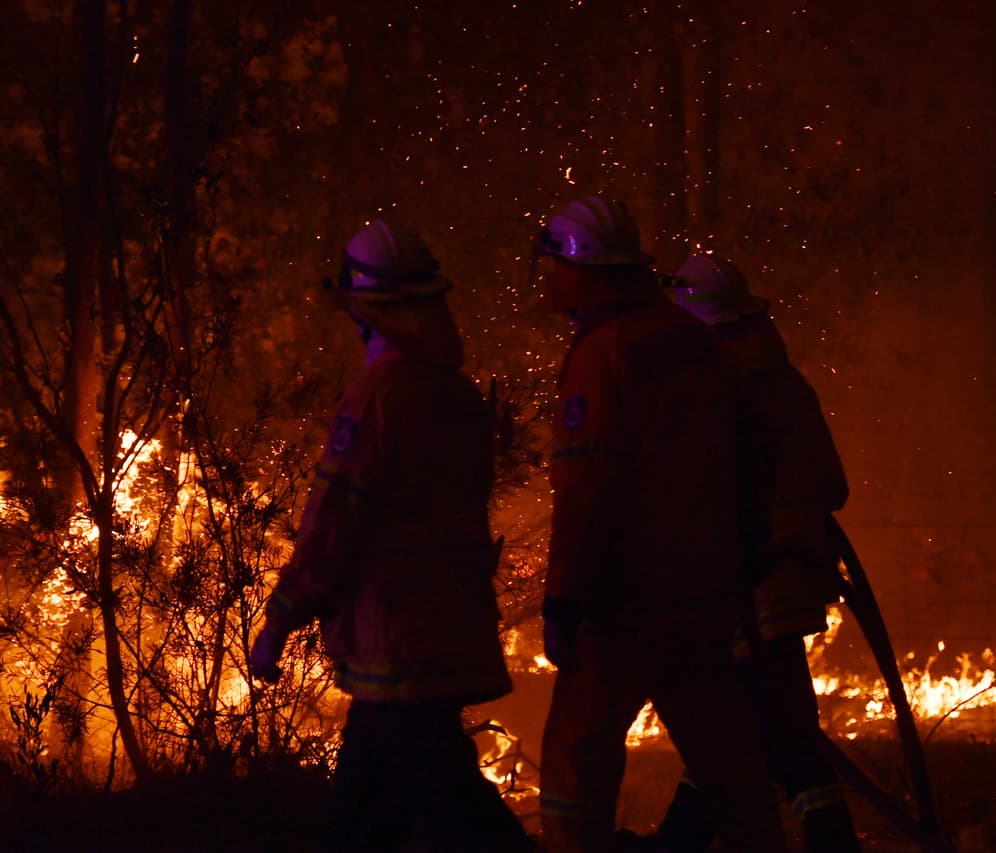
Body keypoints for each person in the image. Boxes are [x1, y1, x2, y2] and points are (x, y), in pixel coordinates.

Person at [249, 219, 532, 853]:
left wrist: (281, 618)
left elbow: (334, 523)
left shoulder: (375, 400)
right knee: (375, 804)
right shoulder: (455, 395)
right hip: (448, 630)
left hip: (397, 640)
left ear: (366, 314)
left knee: (442, 800)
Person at [533, 195, 787, 853]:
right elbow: (755, 452)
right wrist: (749, 549)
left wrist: (564, 597)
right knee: (732, 765)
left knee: (575, 759)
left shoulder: (601, 356)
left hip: (622, 607)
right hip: (704, 597)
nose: (546, 277)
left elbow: (587, 489)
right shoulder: (697, 341)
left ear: (585, 270)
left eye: (553, 263)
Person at [652, 253, 861, 853]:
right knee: (756, 721)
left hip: (746, 584)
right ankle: (679, 841)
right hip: (795, 577)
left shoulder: (716, 389)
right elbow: (834, 486)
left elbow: (702, 494)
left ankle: (829, 840)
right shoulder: (788, 382)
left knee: (765, 727)